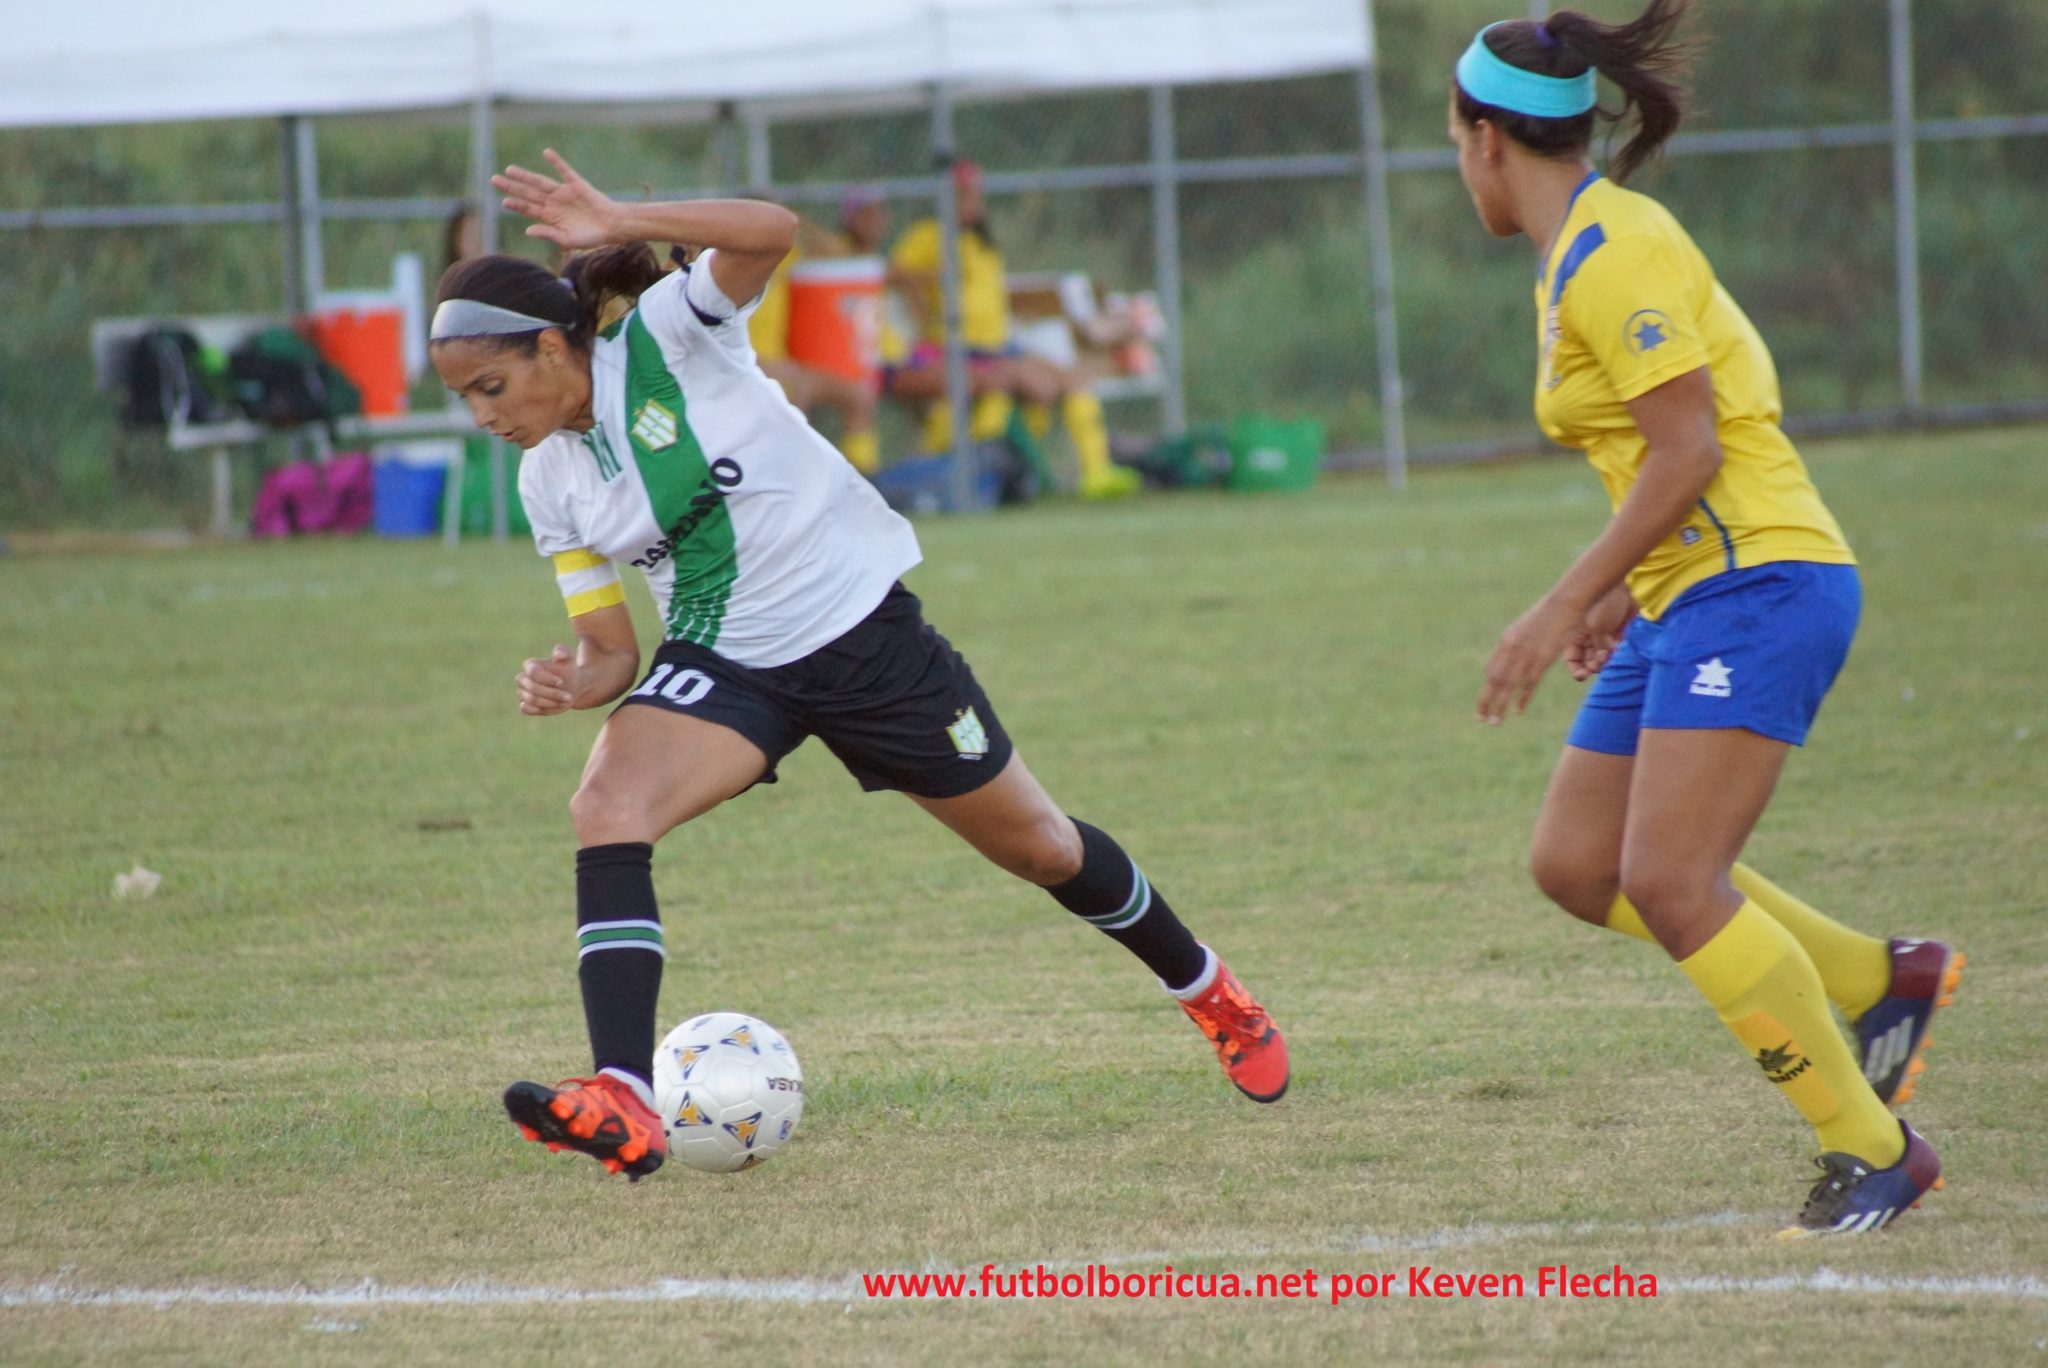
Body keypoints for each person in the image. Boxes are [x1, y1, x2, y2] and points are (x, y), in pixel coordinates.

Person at [427, 149, 1289, 1180]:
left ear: (554, 345)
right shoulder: (545, 482)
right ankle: (622, 1092)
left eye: (491, 386)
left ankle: (1207, 992)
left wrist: (620, 214)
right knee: (606, 804)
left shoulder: (665, 339)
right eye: (466, 401)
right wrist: (580, 677)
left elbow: (770, 228)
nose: (485, 416)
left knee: (1043, 850)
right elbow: (611, 649)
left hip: (864, 639)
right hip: (725, 665)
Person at [1451, 2, 1961, 1237]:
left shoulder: (1613, 251)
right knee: (1576, 865)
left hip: (1762, 584)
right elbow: (1686, 439)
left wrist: (1560, 600)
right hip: (1690, 588)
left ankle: (1873, 1151)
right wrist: (1625, 590)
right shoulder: (1575, 251)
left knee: (1673, 882)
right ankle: (1874, 979)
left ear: (1479, 140)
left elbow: (1690, 446)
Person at [890, 160, 1139, 499]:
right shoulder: (931, 237)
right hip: (959, 349)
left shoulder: (982, 245)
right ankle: (967, 473)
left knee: (1071, 381)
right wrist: (928, 281)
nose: (971, 203)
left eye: (975, 195)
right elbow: (895, 273)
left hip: (1000, 348)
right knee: (1000, 390)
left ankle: (1095, 472)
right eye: (962, 196)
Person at [745, 206, 883, 477]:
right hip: (747, 360)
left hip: (781, 364)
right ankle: (786, 482)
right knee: (795, 390)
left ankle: (863, 485)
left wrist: (796, 220)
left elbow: (838, 254)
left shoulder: (781, 256)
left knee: (858, 395)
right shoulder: (730, 261)